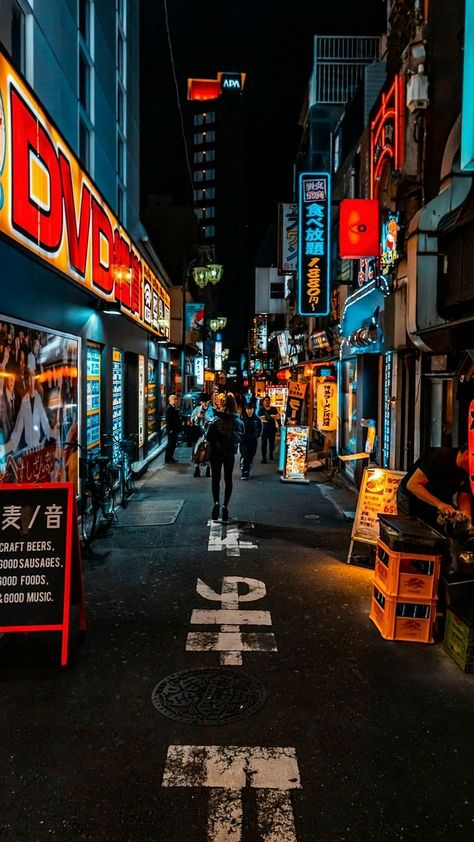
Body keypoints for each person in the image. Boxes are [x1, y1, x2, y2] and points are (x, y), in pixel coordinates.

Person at [397, 444, 472, 531]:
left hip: (438, 499)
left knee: (435, 532)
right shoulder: (438, 457)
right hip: (411, 496)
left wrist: (466, 518)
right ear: (467, 454)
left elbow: (464, 498)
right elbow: (412, 485)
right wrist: (439, 504)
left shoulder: (467, 472)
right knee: (411, 531)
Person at [206, 393, 244, 522]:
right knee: (228, 480)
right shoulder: (238, 422)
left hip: (216, 453)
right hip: (229, 454)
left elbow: (208, 437)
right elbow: (241, 437)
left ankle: (216, 503)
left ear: (223, 404)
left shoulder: (216, 420)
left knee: (215, 479)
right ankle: (225, 506)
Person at [190, 393, 212, 478]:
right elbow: (191, 421)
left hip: (208, 432)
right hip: (198, 432)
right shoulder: (196, 410)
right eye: (203, 402)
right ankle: (196, 468)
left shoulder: (212, 410)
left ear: (209, 402)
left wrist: (208, 420)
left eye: (206, 402)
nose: (204, 404)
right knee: (196, 449)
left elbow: (215, 420)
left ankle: (208, 468)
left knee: (210, 450)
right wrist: (197, 417)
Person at [240, 402, 262, 479]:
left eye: (250, 409)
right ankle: (244, 472)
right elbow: (238, 428)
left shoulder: (257, 419)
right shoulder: (242, 418)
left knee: (250, 456)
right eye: (247, 409)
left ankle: (247, 468)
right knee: (245, 454)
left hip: (253, 441)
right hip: (243, 440)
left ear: (253, 409)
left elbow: (260, 428)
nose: (249, 411)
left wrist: (257, 436)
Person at [258, 395, 280, 463]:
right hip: (264, 429)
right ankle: (264, 457)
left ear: (270, 401)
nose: (267, 402)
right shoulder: (261, 410)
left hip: (272, 428)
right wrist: (271, 417)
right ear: (263, 402)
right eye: (265, 400)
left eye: (268, 400)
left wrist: (280, 426)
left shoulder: (274, 409)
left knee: (272, 443)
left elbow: (278, 418)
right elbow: (260, 419)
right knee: (264, 443)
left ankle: (271, 454)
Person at [164, 394, 181, 464]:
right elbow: (168, 420)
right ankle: (168, 458)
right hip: (172, 430)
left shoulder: (173, 407)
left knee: (173, 444)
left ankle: (170, 457)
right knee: (171, 444)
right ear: (171, 400)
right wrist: (170, 429)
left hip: (174, 429)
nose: (176, 401)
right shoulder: (169, 408)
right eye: (175, 399)